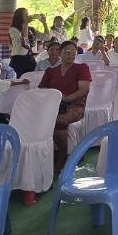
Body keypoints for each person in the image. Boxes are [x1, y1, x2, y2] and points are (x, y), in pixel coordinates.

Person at [40, 41, 91, 174]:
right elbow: (42, 89)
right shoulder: (51, 71)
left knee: (59, 121)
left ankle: (63, 153)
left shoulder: (81, 68)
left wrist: (65, 99)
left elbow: (84, 90)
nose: (70, 54)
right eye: (67, 51)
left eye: (73, 52)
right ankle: (47, 153)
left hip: (75, 105)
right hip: (53, 105)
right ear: (60, 53)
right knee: (38, 121)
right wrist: (55, 95)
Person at [8, 8, 38, 77]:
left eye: (28, 14)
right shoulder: (13, 29)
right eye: (26, 15)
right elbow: (25, 39)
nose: (28, 16)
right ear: (19, 16)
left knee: (31, 78)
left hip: (30, 58)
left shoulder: (31, 29)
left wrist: (44, 23)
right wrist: (26, 23)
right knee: (20, 79)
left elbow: (47, 37)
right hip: (18, 59)